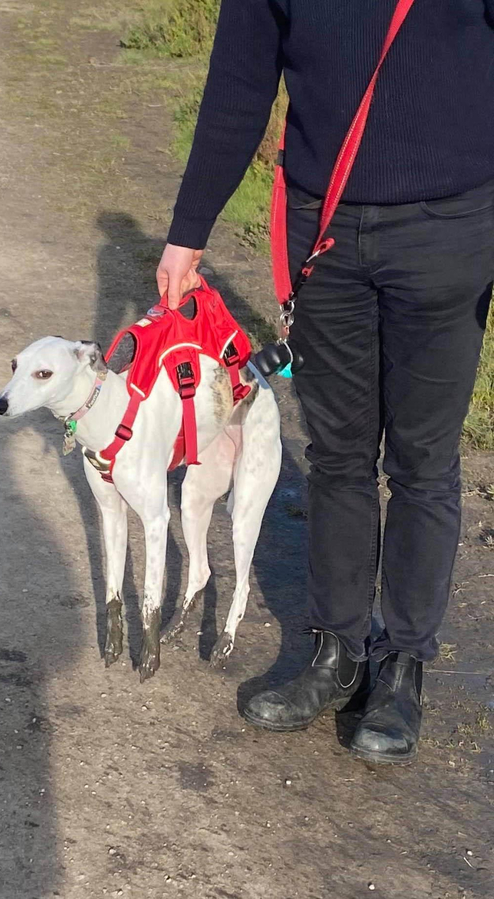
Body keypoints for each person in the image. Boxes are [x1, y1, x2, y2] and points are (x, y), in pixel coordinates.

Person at [156, 0, 494, 765]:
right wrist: (189, 228)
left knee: (422, 460)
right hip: (324, 227)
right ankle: (336, 653)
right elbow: (240, 81)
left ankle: (402, 666)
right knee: (338, 452)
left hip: (451, 225)